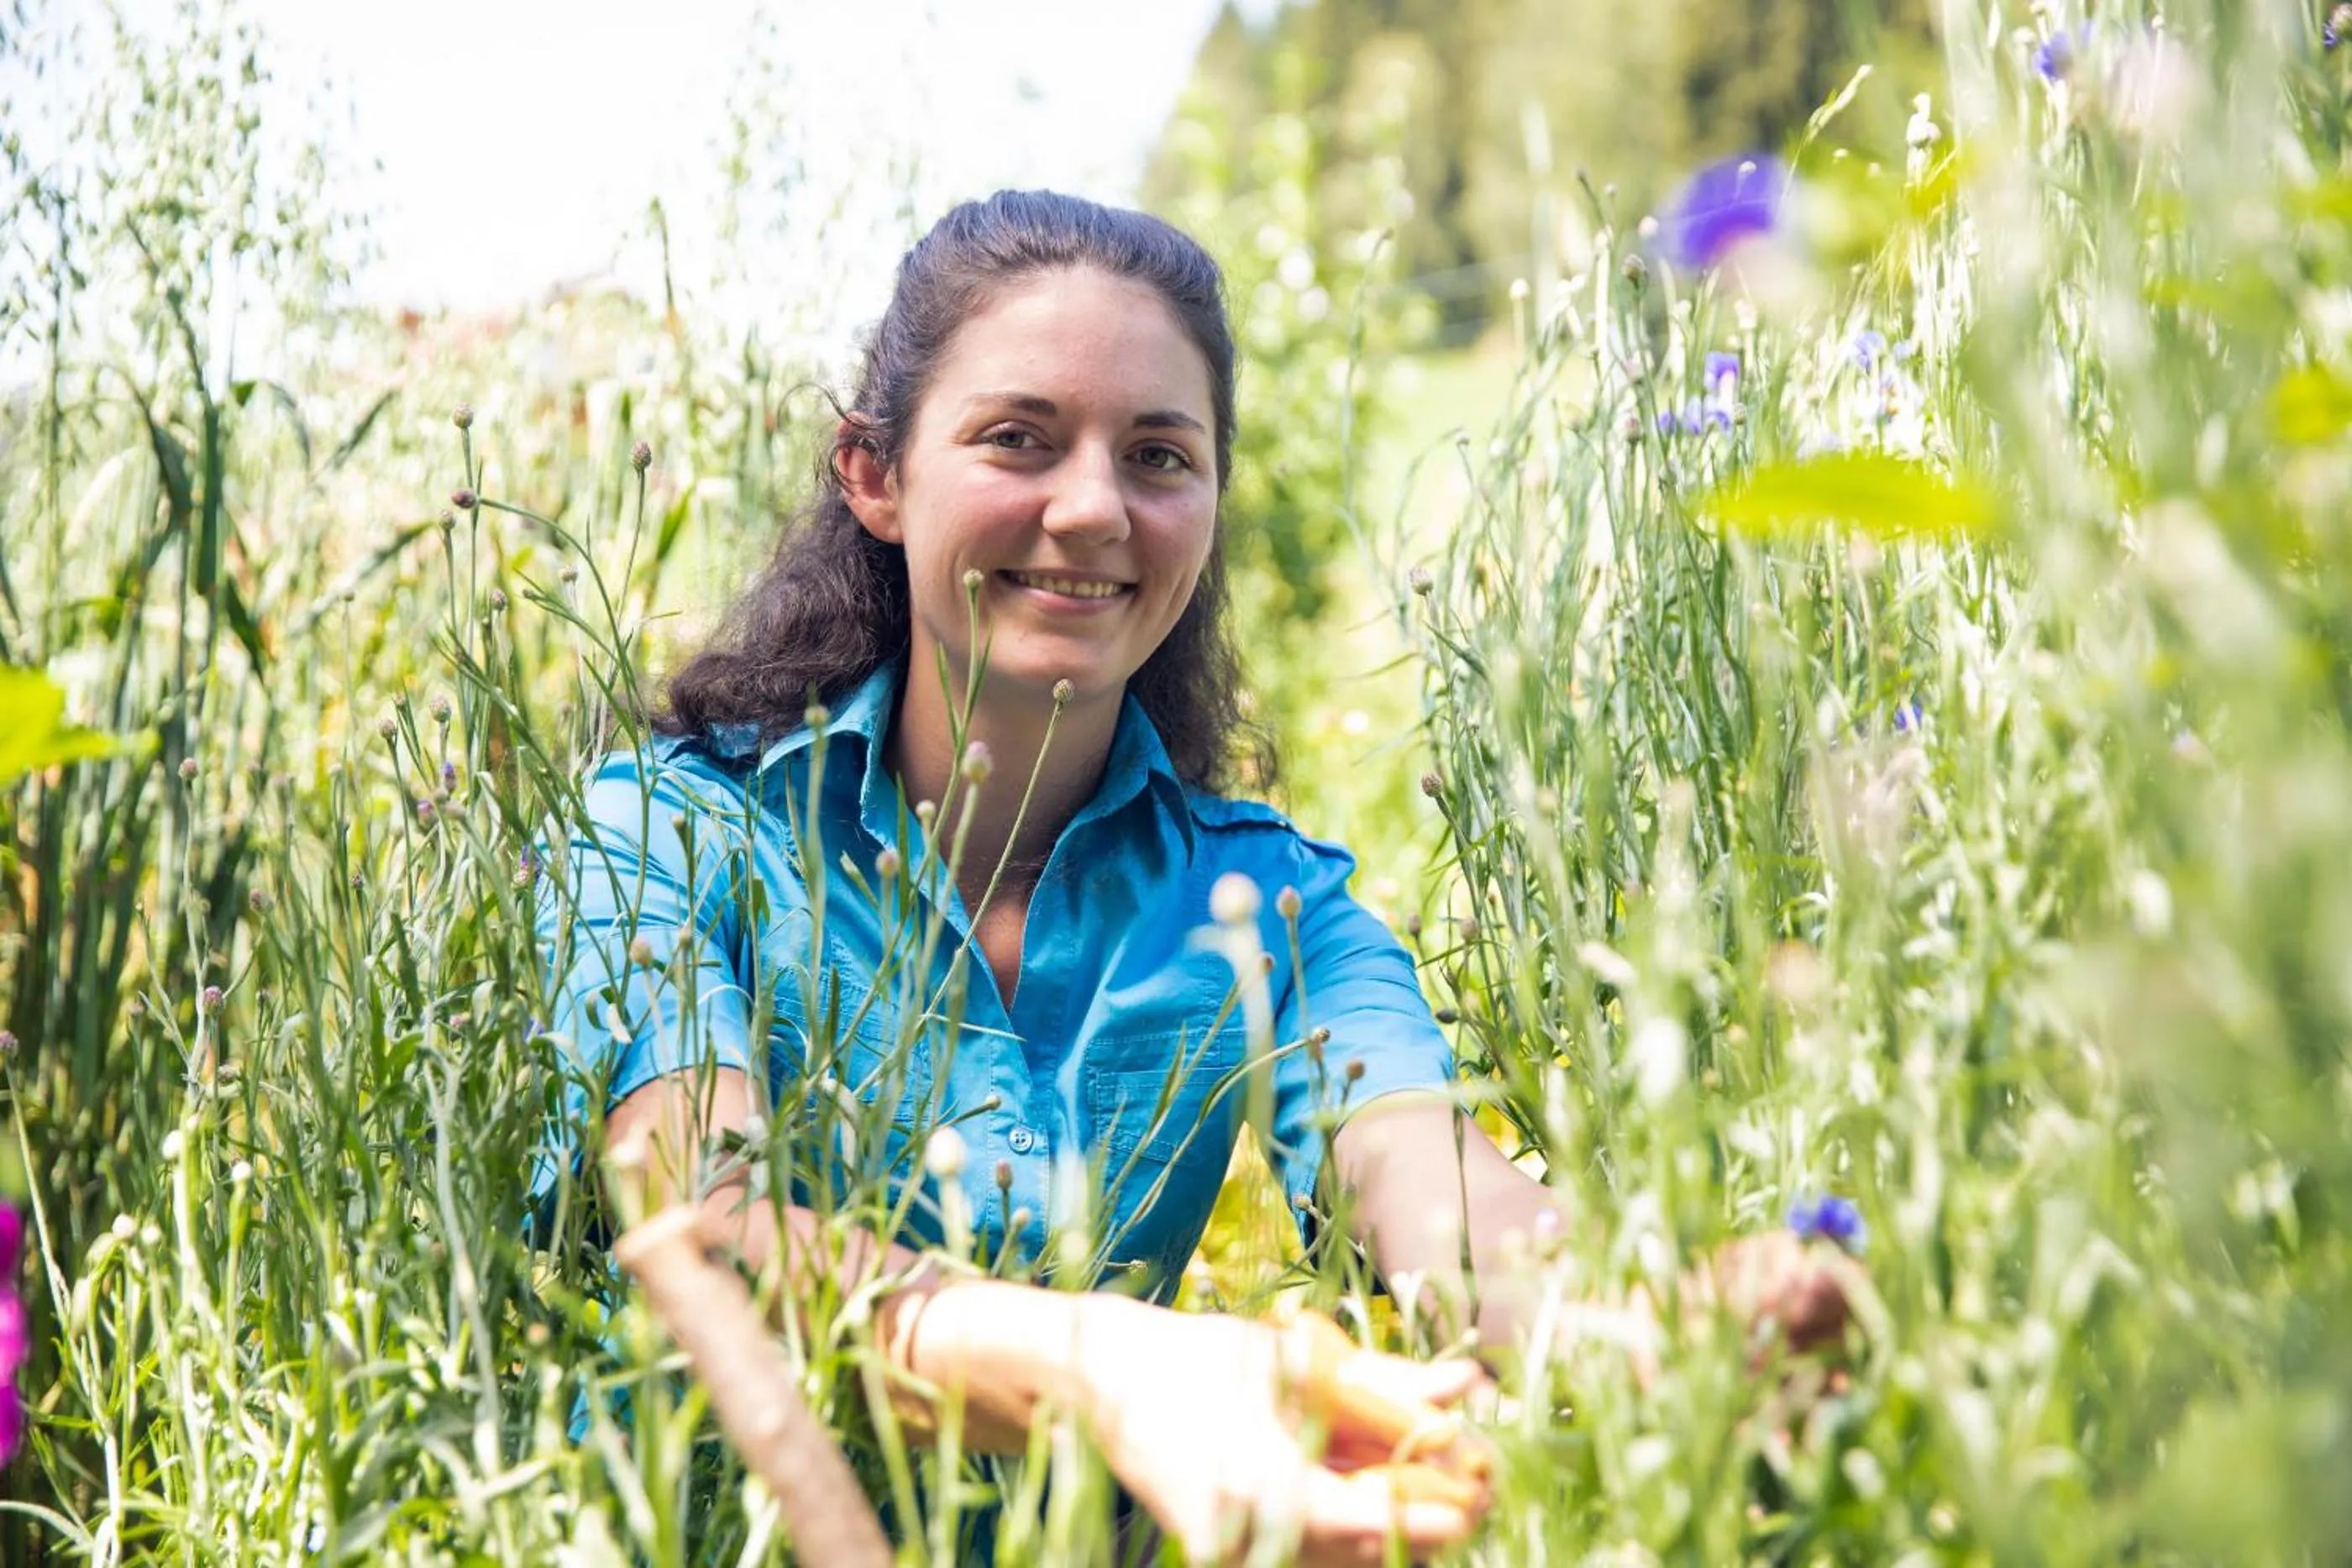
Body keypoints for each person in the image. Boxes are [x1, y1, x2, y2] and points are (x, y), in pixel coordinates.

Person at [541, 189, 1845, 1565]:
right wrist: (1098, 1364)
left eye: (1159, 456)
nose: (1095, 507)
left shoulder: (1270, 907)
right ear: (873, 474)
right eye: (1017, 439)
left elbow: (1436, 1197)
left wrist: (1634, 1325)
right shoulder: (666, 832)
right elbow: (701, 1226)